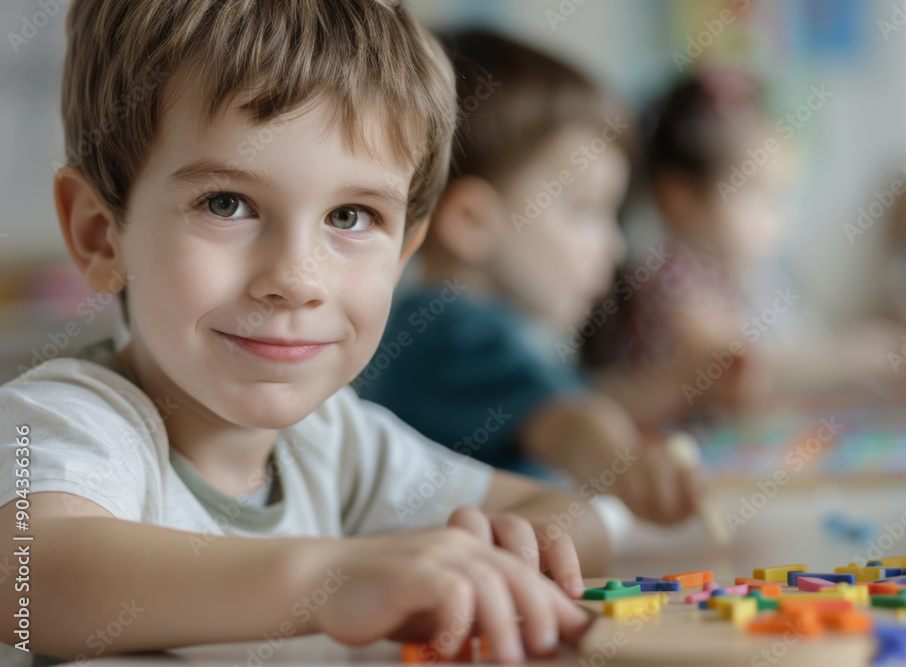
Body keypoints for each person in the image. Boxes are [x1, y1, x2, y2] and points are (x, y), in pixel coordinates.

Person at [0, 3, 612, 664]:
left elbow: (565, 515)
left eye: (351, 215)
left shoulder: (335, 441)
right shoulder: (70, 419)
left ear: (403, 255)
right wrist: (330, 579)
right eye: (226, 204)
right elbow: (28, 577)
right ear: (100, 234)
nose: (296, 278)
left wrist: (512, 548)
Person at [358, 30, 704, 528]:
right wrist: (626, 463)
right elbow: (568, 423)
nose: (615, 245)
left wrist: (684, 385)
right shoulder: (453, 330)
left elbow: (572, 397)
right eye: (584, 212)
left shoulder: (444, 321)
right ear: (473, 221)